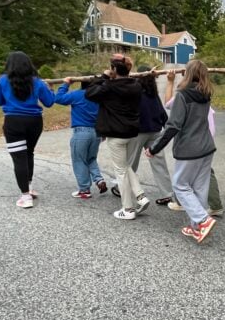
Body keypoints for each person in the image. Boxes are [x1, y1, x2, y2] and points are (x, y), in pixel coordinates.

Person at [147, 60, 217, 243]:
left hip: (190, 149)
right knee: (200, 188)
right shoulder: (206, 93)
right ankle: (196, 228)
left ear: (187, 73)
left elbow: (173, 126)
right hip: (207, 147)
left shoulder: (183, 96)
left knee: (180, 185)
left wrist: (154, 148)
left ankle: (202, 220)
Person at [85, 54, 149, 220]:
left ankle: (127, 209)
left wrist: (104, 77)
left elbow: (90, 93)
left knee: (120, 171)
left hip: (116, 134)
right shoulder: (136, 85)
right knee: (125, 166)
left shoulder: (110, 87)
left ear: (114, 70)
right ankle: (141, 196)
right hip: (132, 132)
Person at [0, 51, 54, 208]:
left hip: (13, 122)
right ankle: (29, 187)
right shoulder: (38, 82)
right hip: (34, 122)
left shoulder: (1, 80)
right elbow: (50, 102)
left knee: (19, 158)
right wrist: (49, 88)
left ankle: (25, 196)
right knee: (28, 153)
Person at [163, 68, 223, 217]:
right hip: (206, 138)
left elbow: (169, 107)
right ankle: (203, 215)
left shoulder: (184, 96)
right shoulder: (205, 93)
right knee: (201, 179)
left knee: (181, 182)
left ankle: (202, 216)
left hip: (192, 141)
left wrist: (170, 82)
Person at [113, 65, 175, 206]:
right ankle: (167, 194)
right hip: (155, 131)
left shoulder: (134, 91)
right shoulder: (152, 92)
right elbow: (161, 112)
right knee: (159, 163)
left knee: (129, 163)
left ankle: (122, 188)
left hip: (138, 132)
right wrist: (167, 127)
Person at [54, 76, 107, 199]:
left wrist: (65, 84)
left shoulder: (77, 95)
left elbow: (58, 98)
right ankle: (99, 180)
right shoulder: (99, 97)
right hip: (96, 132)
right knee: (91, 158)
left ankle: (84, 190)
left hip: (81, 132)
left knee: (79, 160)